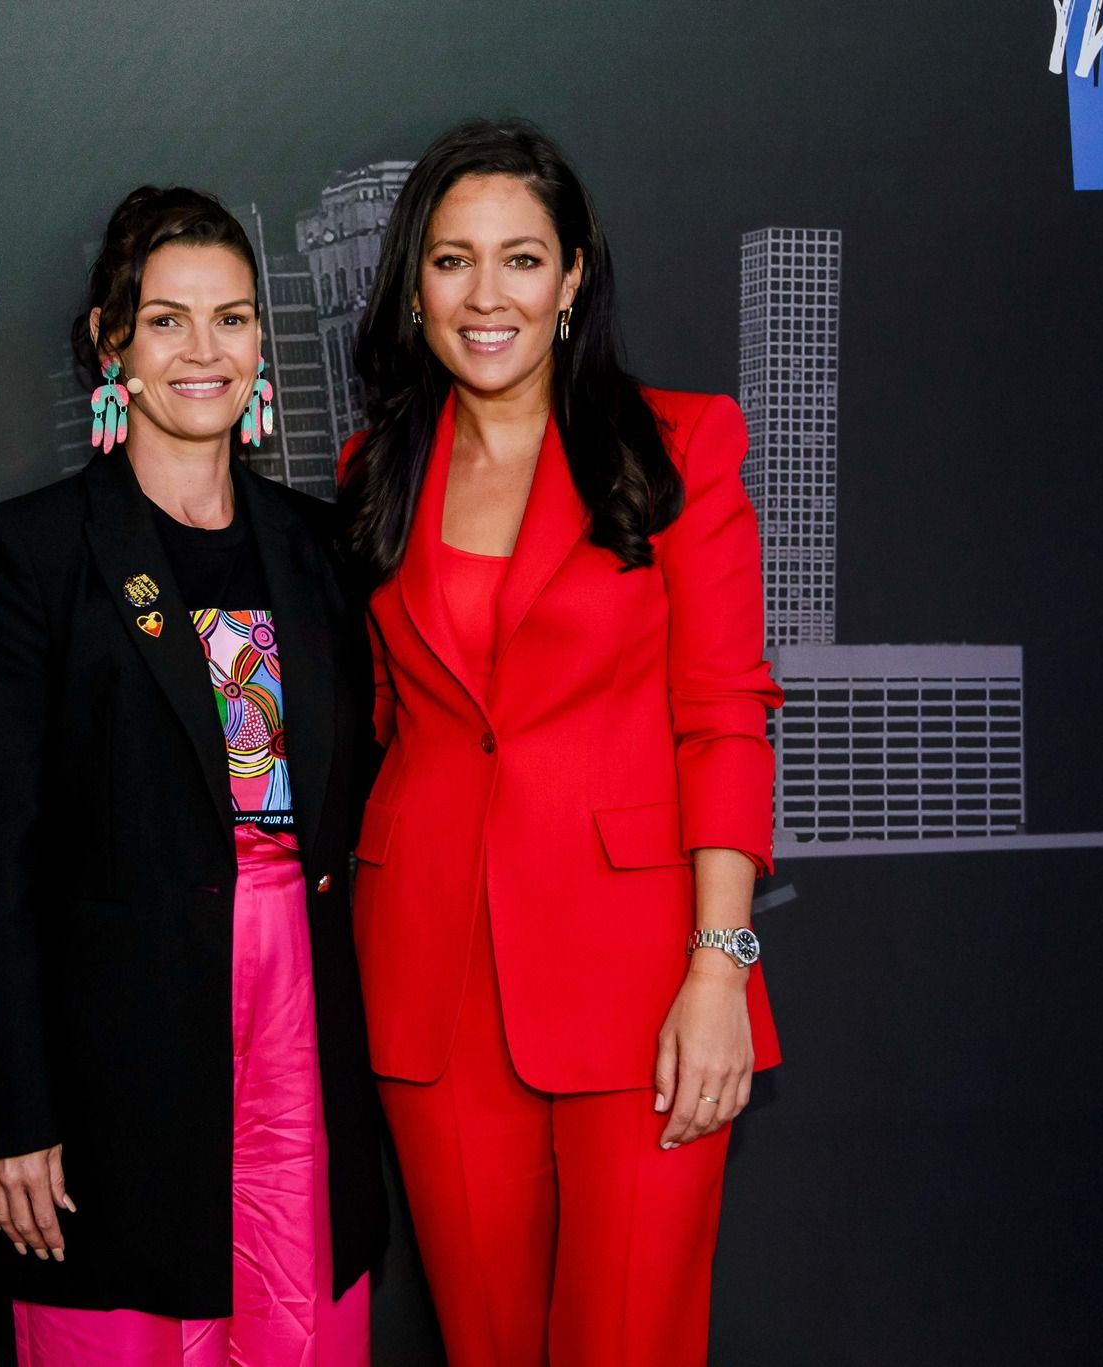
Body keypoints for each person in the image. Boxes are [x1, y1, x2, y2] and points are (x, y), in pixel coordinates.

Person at [336, 119, 784, 1367]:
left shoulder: (679, 445)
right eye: (452, 260)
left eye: (521, 259)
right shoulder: (373, 470)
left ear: (573, 275)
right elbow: (365, 724)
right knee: (481, 1342)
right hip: (431, 984)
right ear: (413, 285)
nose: (486, 296)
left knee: (629, 1338)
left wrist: (717, 970)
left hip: (645, 984)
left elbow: (723, 715)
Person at [0, 185, 384, 1367]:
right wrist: (12, 1110)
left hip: (299, 1016)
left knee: (297, 1318)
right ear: (112, 345)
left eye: (232, 318)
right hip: (117, 1045)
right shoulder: (29, 554)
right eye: (166, 320)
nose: (205, 350)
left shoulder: (322, 547)